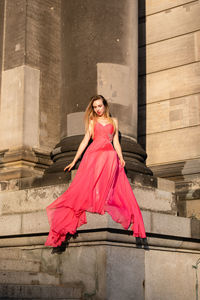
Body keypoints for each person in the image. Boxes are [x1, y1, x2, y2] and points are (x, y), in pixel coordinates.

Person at [45, 95, 146, 248]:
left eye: (100, 106)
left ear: (105, 105)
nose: (98, 109)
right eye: (95, 107)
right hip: (94, 154)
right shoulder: (92, 122)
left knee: (110, 168)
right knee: (88, 185)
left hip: (109, 154)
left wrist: (121, 157)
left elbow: (116, 142)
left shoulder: (114, 122)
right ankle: (93, 203)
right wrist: (73, 160)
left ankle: (102, 201)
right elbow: (85, 141)